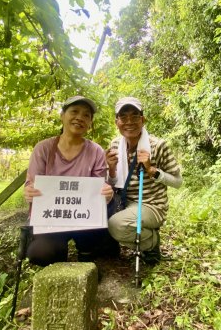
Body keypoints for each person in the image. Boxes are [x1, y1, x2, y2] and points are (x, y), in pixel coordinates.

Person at [24, 95, 116, 266]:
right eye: (74, 111)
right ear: (62, 116)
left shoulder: (95, 151)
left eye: (86, 115)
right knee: (40, 253)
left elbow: (99, 186)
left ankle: (86, 254)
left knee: (104, 243)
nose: (80, 117)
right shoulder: (43, 148)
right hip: (51, 220)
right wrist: (29, 191)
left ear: (90, 123)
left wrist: (106, 193)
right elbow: (31, 183)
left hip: (84, 220)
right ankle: (59, 253)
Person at [106, 97, 182, 262]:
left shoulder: (157, 145)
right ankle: (142, 238)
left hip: (151, 204)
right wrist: (111, 168)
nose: (129, 122)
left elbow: (177, 182)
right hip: (125, 201)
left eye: (135, 116)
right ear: (116, 121)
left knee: (116, 225)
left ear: (143, 119)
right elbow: (113, 182)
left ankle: (151, 243)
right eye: (123, 117)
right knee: (99, 221)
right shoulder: (115, 144)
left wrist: (151, 170)